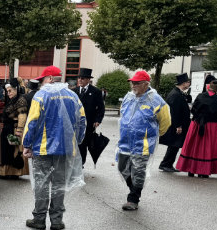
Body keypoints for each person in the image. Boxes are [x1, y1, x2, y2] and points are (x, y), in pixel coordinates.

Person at [21, 65, 86, 230]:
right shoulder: (73, 96)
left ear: (50, 79)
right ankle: (57, 220)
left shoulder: (41, 96)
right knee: (59, 185)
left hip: (42, 148)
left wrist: (27, 144)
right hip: (65, 149)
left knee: (41, 184)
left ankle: (39, 219)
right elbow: (82, 121)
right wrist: (76, 141)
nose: (41, 83)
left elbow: (32, 122)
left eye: (42, 80)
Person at [116, 70, 171, 211]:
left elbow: (165, 121)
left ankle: (133, 199)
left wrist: (154, 136)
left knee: (138, 170)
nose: (133, 85)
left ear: (146, 84)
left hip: (143, 144)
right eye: (132, 83)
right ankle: (133, 188)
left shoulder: (156, 100)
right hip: (125, 142)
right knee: (122, 168)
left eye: (137, 83)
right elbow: (123, 115)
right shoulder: (129, 97)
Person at [177, 76, 217, 177]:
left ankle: (191, 169)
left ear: (209, 87)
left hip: (197, 124)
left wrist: (200, 116)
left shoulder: (200, 96)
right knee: (207, 147)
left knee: (194, 145)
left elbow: (193, 110)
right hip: (211, 125)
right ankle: (204, 171)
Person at [158, 74, 192, 172]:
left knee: (174, 145)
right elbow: (175, 112)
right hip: (176, 125)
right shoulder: (176, 94)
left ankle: (167, 164)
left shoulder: (178, 93)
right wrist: (178, 126)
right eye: (188, 82)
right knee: (174, 145)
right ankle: (165, 164)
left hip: (177, 124)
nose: (189, 84)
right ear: (183, 83)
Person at [0, 84, 29, 179]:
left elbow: (22, 116)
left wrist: (19, 130)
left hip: (15, 129)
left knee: (14, 150)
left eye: (10, 91)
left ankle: (14, 172)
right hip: (8, 128)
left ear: (16, 90)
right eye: (7, 91)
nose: (8, 93)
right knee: (6, 150)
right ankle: (6, 172)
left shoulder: (20, 100)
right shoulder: (12, 100)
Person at [75, 68, 105, 166]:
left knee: (84, 144)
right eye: (79, 78)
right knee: (75, 143)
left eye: (82, 78)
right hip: (75, 123)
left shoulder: (95, 91)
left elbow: (101, 108)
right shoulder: (74, 91)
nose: (80, 80)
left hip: (89, 123)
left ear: (88, 80)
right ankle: (75, 163)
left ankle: (81, 164)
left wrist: (98, 120)